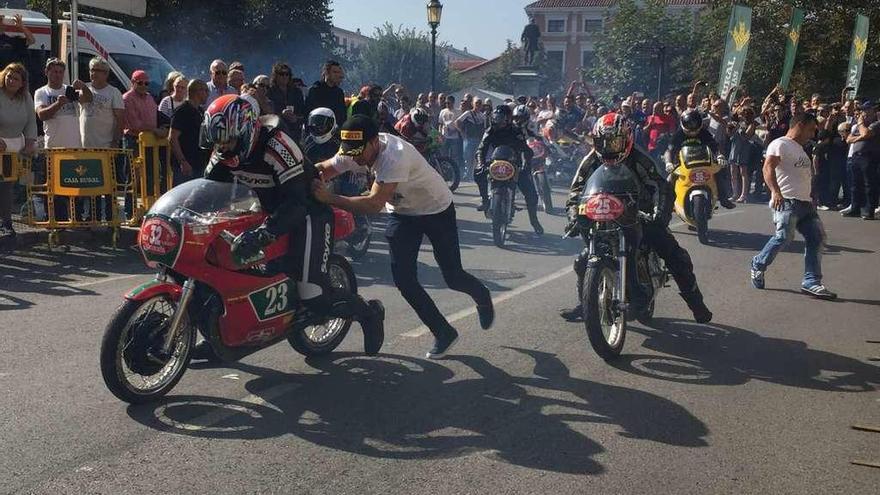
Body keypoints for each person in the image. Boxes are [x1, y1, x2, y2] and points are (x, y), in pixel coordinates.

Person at [201, 95, 385, 356]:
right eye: (217, 140)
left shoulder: (277, 145)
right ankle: (220, 335)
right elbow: (205, 191)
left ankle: (368, 313)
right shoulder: (222, 151)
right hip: (268, 213)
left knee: (313, 296)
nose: (223, 146)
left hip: (307, 214)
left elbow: (297, 204)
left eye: (228, 139)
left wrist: (263, 234)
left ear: (245, 131)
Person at [312, 115, 495, 359]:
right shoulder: (355, 148)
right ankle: (443, 331)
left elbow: (374, 203)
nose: (356, 158)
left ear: (374, 142)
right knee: (404, 280)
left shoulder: (394, 156)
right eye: (351, 152)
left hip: (435, 209)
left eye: (360, 152)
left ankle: (481, 296)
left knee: (452, 276)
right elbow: (326, 168)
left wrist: (329, 198)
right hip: (403, 213)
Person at [561, 113, 712, 323]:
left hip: (639, 214)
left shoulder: (639, 157)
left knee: (675, 255)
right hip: (604, 213)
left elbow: (661, 186)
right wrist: (573, 215)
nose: (608, 147)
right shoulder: (592, 159)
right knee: (582, 262)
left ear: (627, 139)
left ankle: (697, 304)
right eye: (602, 142)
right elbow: (576, 190)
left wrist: (659, 214)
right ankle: (587, 302)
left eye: (613, 142)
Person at [751, 112, 835, 299]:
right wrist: (775, 192)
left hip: (805, 203)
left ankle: (811, 282)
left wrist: (811, 195)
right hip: (786, 201)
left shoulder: (799, 148)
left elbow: (803, 175)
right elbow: (768, 168)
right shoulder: (780, 143)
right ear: (800, 125)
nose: (813, 133)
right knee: (783, 237)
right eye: (812, 129)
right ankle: (758, 263)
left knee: (817, 238)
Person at [475, 105, 544, 235]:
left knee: (531, 193)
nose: (497, 121)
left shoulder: (516, 130)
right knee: (478, 172)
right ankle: (485, 200)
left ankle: (534, 221)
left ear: (507, 119)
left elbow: (525, 149)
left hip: (515, 163)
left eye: (500, 118)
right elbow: (481, 149)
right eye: (495, 118)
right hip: (496, 162)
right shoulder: (490, 130)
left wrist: (525, 163)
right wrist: (480, 163)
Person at [665, 109, 736, 209]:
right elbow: (669, 150)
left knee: (718, 172)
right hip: (683, 165)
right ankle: (666, 204)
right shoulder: (678, 135)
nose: (692, 126)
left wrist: (719, 156)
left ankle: (723, 199)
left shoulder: (704, 133)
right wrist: (668, 163)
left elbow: (714, 146)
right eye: (689, 124)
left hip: (705, 163)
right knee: (670, 179)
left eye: (694, 123)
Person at [0, 62, 37, 250]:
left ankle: (6, 223)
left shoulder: (26, 97)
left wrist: (30, 142)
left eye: (15, 78)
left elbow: (31, 121)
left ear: (22, 83)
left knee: (6, 186)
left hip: (13, 146)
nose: (11, 80)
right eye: (8, 75)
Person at [35, 58, 92, 149]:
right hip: (53, 147)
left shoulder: (70, 90)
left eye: (60, 72)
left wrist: (83, 87)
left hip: (75, 146)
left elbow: (88, 99)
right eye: (55, 72)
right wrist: (58, 104)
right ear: (46, 72)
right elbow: (42, 115)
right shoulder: (41, 92)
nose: (58, 75)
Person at [842, 102, 878, 220]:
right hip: (856, 156)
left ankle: (869, 210)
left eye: (867, 110)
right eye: (863, 110)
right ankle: (855, 208)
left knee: (869, 184)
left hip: (869, 156)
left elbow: (866, 133)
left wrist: (861, 124)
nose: (864, 113)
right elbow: (848, 139)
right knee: (855, 184)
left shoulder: (876, 124)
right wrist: (860, 138)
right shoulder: (858, 125)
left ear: (873, 111)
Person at [168, 79, 209, 185]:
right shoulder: (182, 111)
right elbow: (173, 138)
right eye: (206, 91)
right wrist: (183, 162)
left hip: (199, 163)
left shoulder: (200, 111)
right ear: (197, 91)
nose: (207, 94)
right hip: (186, 166)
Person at [80, 57, 124, 148]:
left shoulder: (114, 92)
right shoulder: (83, 89)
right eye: (92, 70)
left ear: (106, 73)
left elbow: (120, 120)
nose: (93, 73)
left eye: (97, 70)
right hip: (83, 146)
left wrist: (115, 142)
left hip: (105, 146)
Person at [122, 70, 162, 148]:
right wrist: (155, 130)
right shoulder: (127, 98)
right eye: (140, 83)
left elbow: (157, 116)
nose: (144, 85)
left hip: (151, 140)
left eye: (146, 83)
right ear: (133, 82)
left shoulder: (150, 97)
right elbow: (135, 125)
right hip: (133, 140)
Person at [267, 62, 305, 141]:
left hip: (294, 133)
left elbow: (303, 113)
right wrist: (281, 115)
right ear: (275, 76)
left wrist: (296, 118)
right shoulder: (269, 92)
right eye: (281, 74)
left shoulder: (297, 92)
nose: (284, 76)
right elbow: (267, 114)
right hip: (276, 133)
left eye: (287, 74)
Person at [305, 60, 347, 129]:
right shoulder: (314, 90)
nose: (337, 75)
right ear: (326, 73)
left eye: (339, 72)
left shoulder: (339, 92)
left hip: (335, 132)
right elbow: (309, 113)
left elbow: (342, 115)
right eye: (334, 72)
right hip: (318, 131)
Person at [455, 97, 485, 177]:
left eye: (480, 103)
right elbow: (457, 121)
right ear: (473, 104)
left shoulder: (482, 116)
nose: (478, 105)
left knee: (475, 158)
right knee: (467, 157)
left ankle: (472, 174)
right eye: (476, 103)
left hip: (478, 139)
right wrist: (462, 132)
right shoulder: (468, 113)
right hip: (469, 138)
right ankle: (466, 174)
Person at [438, 95, 463, 175]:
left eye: (449, 103)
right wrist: (440, 133)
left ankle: (455, 172)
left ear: (453, 102)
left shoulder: (458, 111)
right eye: (446, 103)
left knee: (454, 155)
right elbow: (440, 124)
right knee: (444, 154)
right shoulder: (443, 111)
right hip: (444, 136)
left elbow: (460, 124)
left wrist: (454, 130)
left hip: (454, 137)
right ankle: (444, 171)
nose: (447, 104)